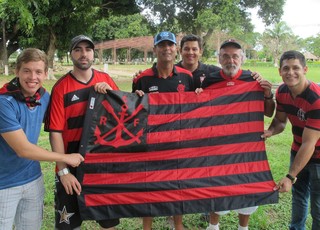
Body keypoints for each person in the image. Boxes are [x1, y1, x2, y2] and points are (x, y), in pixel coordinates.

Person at [0, 48, 84, 230]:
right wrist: (65, 158)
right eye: (27, 71)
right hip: (3, 183)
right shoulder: (3, 102)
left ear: (46, 74)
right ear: (17, 71)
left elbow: (64, 119)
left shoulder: (44, 97)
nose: (33, 77)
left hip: (32, 179)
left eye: (38, 72)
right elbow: (23, 150)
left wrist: (103, 91)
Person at [196, 39, 275, 230]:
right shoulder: (210, 80)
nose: (230, 60)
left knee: (246, 186)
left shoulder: (253, 79)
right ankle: (213, 226)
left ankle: (243, 227)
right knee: (217, 185)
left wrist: (267, 94)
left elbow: (268, 112)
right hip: (218, 147)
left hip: (246, 146)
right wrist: (197, 96)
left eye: (235, 56)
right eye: (225, 56)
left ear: (242, 58)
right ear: (219, 58)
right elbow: (200, 112)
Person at [44, 35, 120, 230]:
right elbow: (55, 133)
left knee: (108, 222)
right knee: (68, 225)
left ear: (93, 53)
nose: (83, 54)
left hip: (101, 164)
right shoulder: (61, 87)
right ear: (71, 54)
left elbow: (123, 114)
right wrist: (63, 171)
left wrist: (111, 93)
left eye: (88, 49)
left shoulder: (106, 79)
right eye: (78, 49)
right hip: (71, 165)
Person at [133, 31, 194, 230]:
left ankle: (178, 225)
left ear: (176, 49)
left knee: (178, 185)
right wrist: (136, 97)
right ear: (155, 49)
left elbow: (195, 107)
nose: (166, 49)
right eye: (162, 45)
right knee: (149, 186)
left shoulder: (187, 77)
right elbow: (132, 110)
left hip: (179, 142)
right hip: (151, 142)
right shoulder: (142, 78)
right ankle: (147, 227)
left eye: (170, 45)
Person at [262, 50, 320, 230]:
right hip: (297, 149)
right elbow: (280, 121)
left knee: (317, 205)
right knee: (299, 197)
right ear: (280, 71)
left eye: (296, 68)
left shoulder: (316, 99)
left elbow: (309, 143)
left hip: (317, 155)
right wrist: (270, 131)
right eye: (286, 68)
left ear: (305, 69)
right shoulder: (281, 91)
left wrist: (289, 176)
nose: (290, 72)